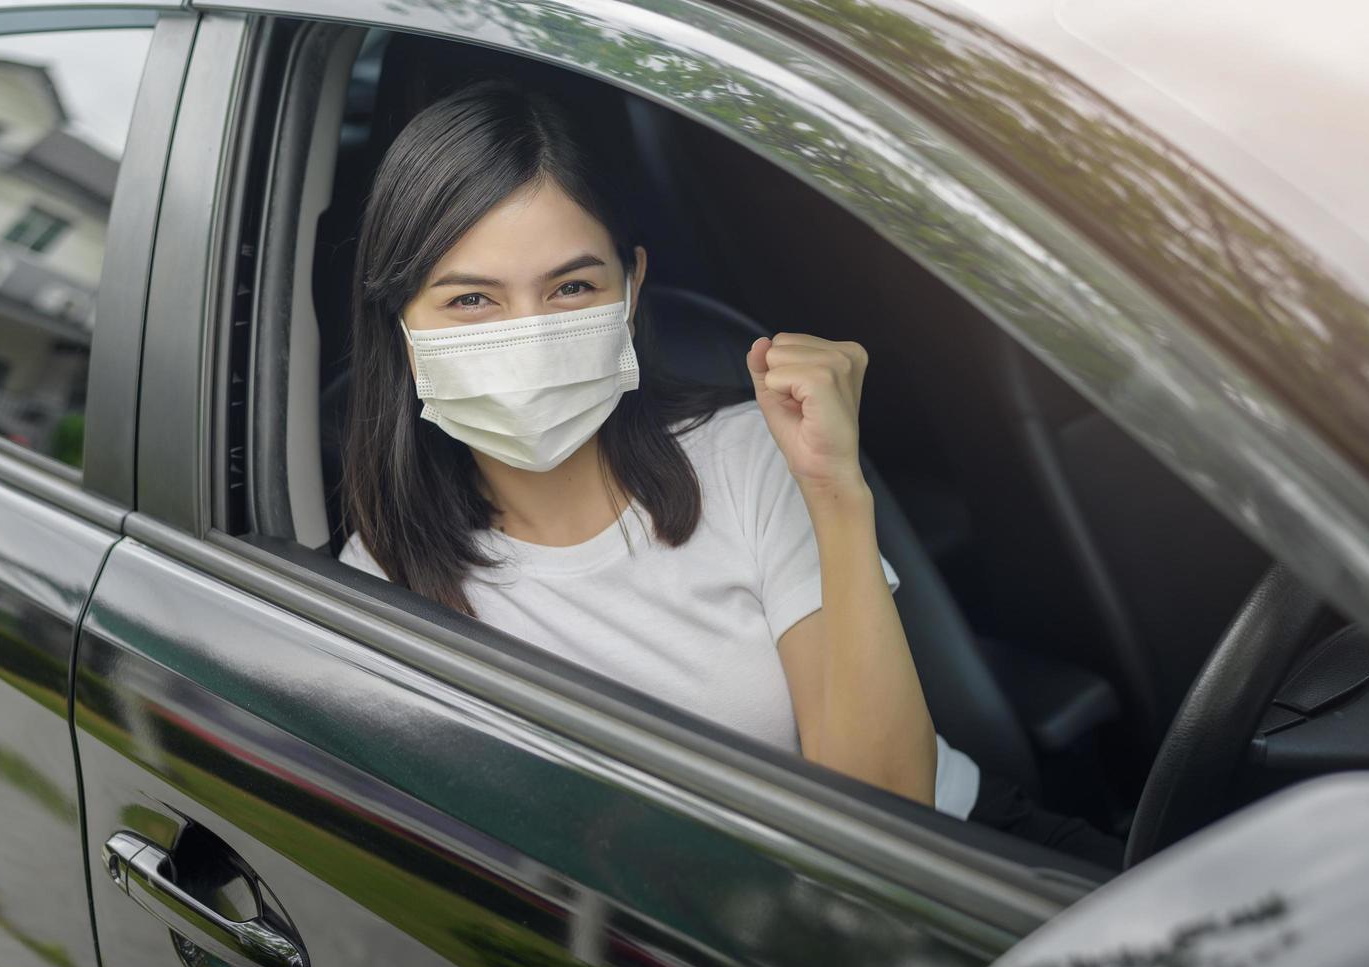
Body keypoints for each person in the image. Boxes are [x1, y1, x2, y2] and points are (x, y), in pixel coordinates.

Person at [336, 77, 1122, 868]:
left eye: (572, 287)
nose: (531, 338)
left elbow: (885, 810)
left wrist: (835, 493)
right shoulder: (383, 577)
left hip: (953, 861)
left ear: (631, 287)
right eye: (472, 300)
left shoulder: (745, 454)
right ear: (398, 319)